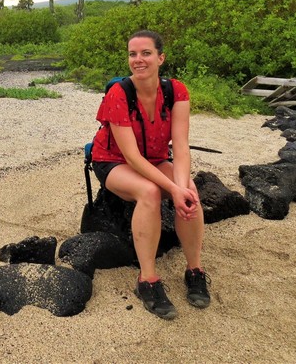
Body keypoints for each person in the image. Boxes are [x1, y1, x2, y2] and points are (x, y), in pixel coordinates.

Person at [90, 29, 210, 320]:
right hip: (112, 161)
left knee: (190, 190)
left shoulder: (176, 91)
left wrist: (181, 188)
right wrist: (171, 187)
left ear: (160, 57)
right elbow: (131, 156)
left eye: (146, 53)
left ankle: (194, 269)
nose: (138, 60)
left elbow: (180, 148)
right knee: (150, 192)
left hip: (155, 159)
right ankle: (148, 279)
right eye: (133, 54)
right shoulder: (119, 93)